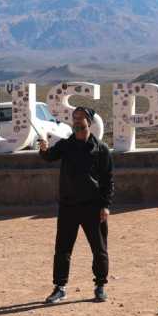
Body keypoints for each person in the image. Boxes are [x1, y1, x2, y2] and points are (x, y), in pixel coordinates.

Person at [38, 106, 114, 303]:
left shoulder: (101, 149)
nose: (77, 120)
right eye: (75, 117)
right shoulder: (65, 145)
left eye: (81, 117)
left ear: (89, 122)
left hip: (93, 207)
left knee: (99, 249)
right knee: (62, 249)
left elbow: (107, 180)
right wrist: (43, 148)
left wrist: (105, 205)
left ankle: (100, 286)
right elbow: (49, 156)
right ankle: (60, 288)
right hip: (68, 206)